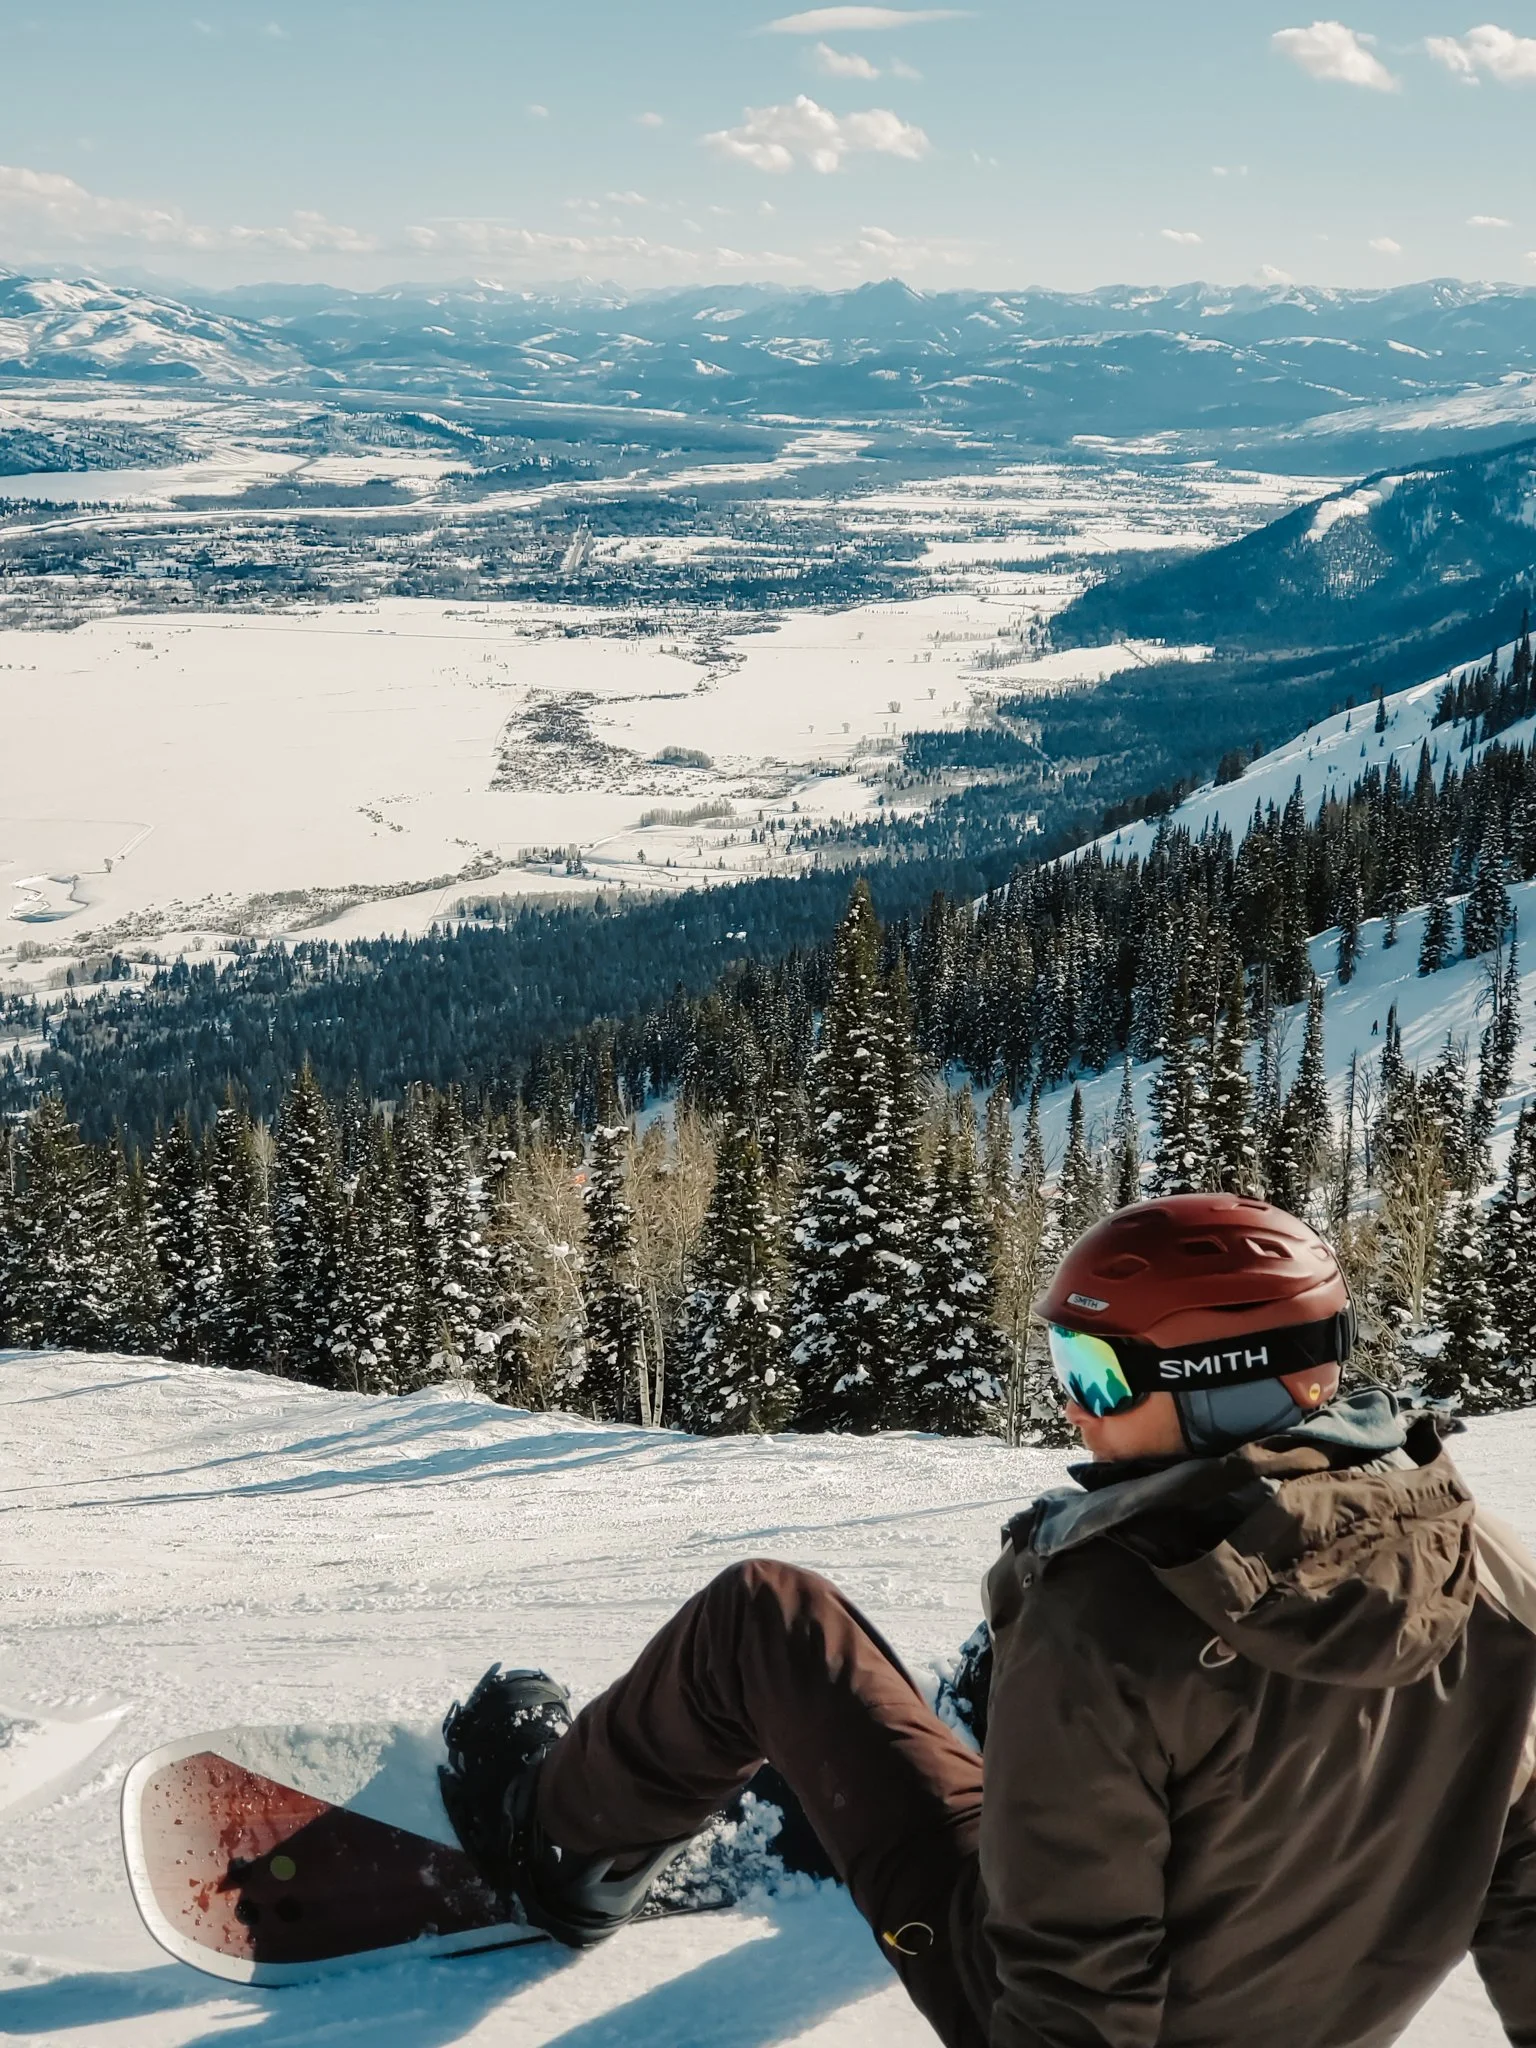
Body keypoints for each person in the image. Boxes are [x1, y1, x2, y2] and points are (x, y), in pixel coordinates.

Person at [438, 1194, 1536, 2048]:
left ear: (1219, 1385)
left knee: (766, 1615)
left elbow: (1069, 1994)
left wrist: (1057, 1629)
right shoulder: (1491, 1574)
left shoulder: (1107, 1609)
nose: (1069, 1403)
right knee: (1041, 1663)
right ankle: (993, 1718)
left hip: (1049, 2004)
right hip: (1284, 1989)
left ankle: (555, 1846)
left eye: (1097, 1374)